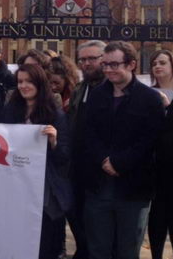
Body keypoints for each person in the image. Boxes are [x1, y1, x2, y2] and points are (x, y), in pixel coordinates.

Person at [83, 41, 164, 259]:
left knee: (128, 250)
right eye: (105, 64)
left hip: (134, 188)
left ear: (131, 64)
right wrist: (103, 160)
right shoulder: (97, 95)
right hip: (99, 186)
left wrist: (120, 162)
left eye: (114, 64)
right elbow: (88, 133)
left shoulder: (150, 99)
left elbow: (151, 139)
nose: (108, 70)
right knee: (98, 249)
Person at [2, 64, 72, 259]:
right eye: (20, 82)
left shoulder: (55, 115)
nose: (24, 86)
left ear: (40, 84)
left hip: (45, 194)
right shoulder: (10, 111)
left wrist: (54, 141)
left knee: (45, 245)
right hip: (16, 189)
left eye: (29, 81)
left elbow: (64, 157)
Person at [66, 40, 106, 259]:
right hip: (76, 166)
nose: (87, 64)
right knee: (75, 215)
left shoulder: (113, 89)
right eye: (82, 60)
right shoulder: (80, 89)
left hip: (101, 168)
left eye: (92, 59)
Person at [149, 90, 173, 259]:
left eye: (163, 62)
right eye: (155, 62)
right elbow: (165, 132)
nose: (157, 67)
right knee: (159, 224)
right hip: (165, 174)